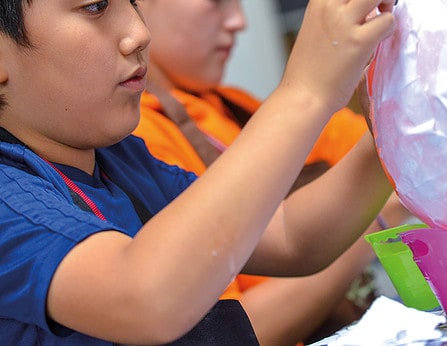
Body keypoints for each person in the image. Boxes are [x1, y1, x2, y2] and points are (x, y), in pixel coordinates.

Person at [0, 0, 396, 344]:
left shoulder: (122, 161)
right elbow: (147, 298)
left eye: (134, 3)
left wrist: (391, 129)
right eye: (96, 6)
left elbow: (288, 235)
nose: (140, 33)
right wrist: (305, 92)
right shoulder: (10, 199)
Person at [133, 1, 402, 344]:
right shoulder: (139, 141)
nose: (238, 22)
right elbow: (235, 330)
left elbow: (292, 232)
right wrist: (377, 218)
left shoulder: (233, 105)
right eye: (216, 2)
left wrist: (392, 117)